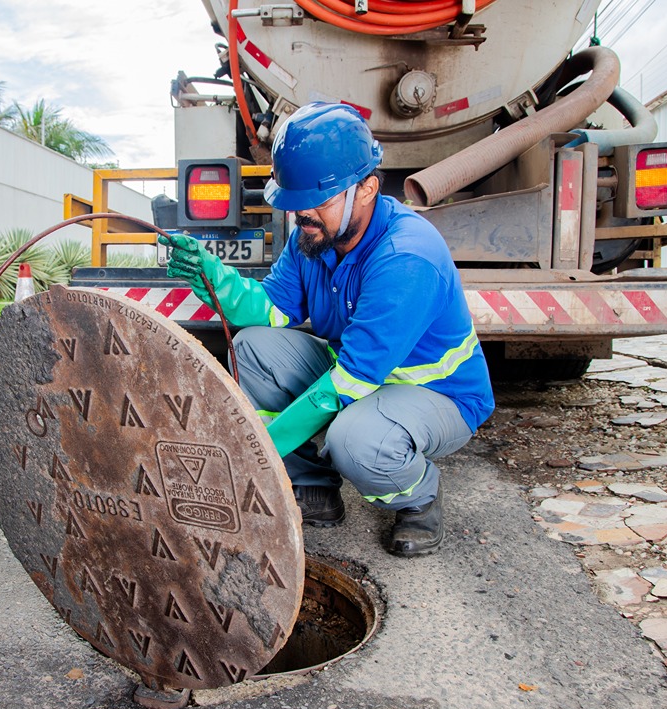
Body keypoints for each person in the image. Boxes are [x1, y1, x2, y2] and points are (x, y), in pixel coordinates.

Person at [160, 102, 494, 557]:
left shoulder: (406, 258)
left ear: (367, 189)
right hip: (358, 373)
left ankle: (419, 496)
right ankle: (313, 486)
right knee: (251, 348)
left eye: (321, 199)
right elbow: (271, 309)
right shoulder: (314, 238)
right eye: (296, 200)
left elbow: (349, 382)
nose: (304, 213)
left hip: (437, 394)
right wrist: (214, 277)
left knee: (354, 440)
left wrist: (254, 452)